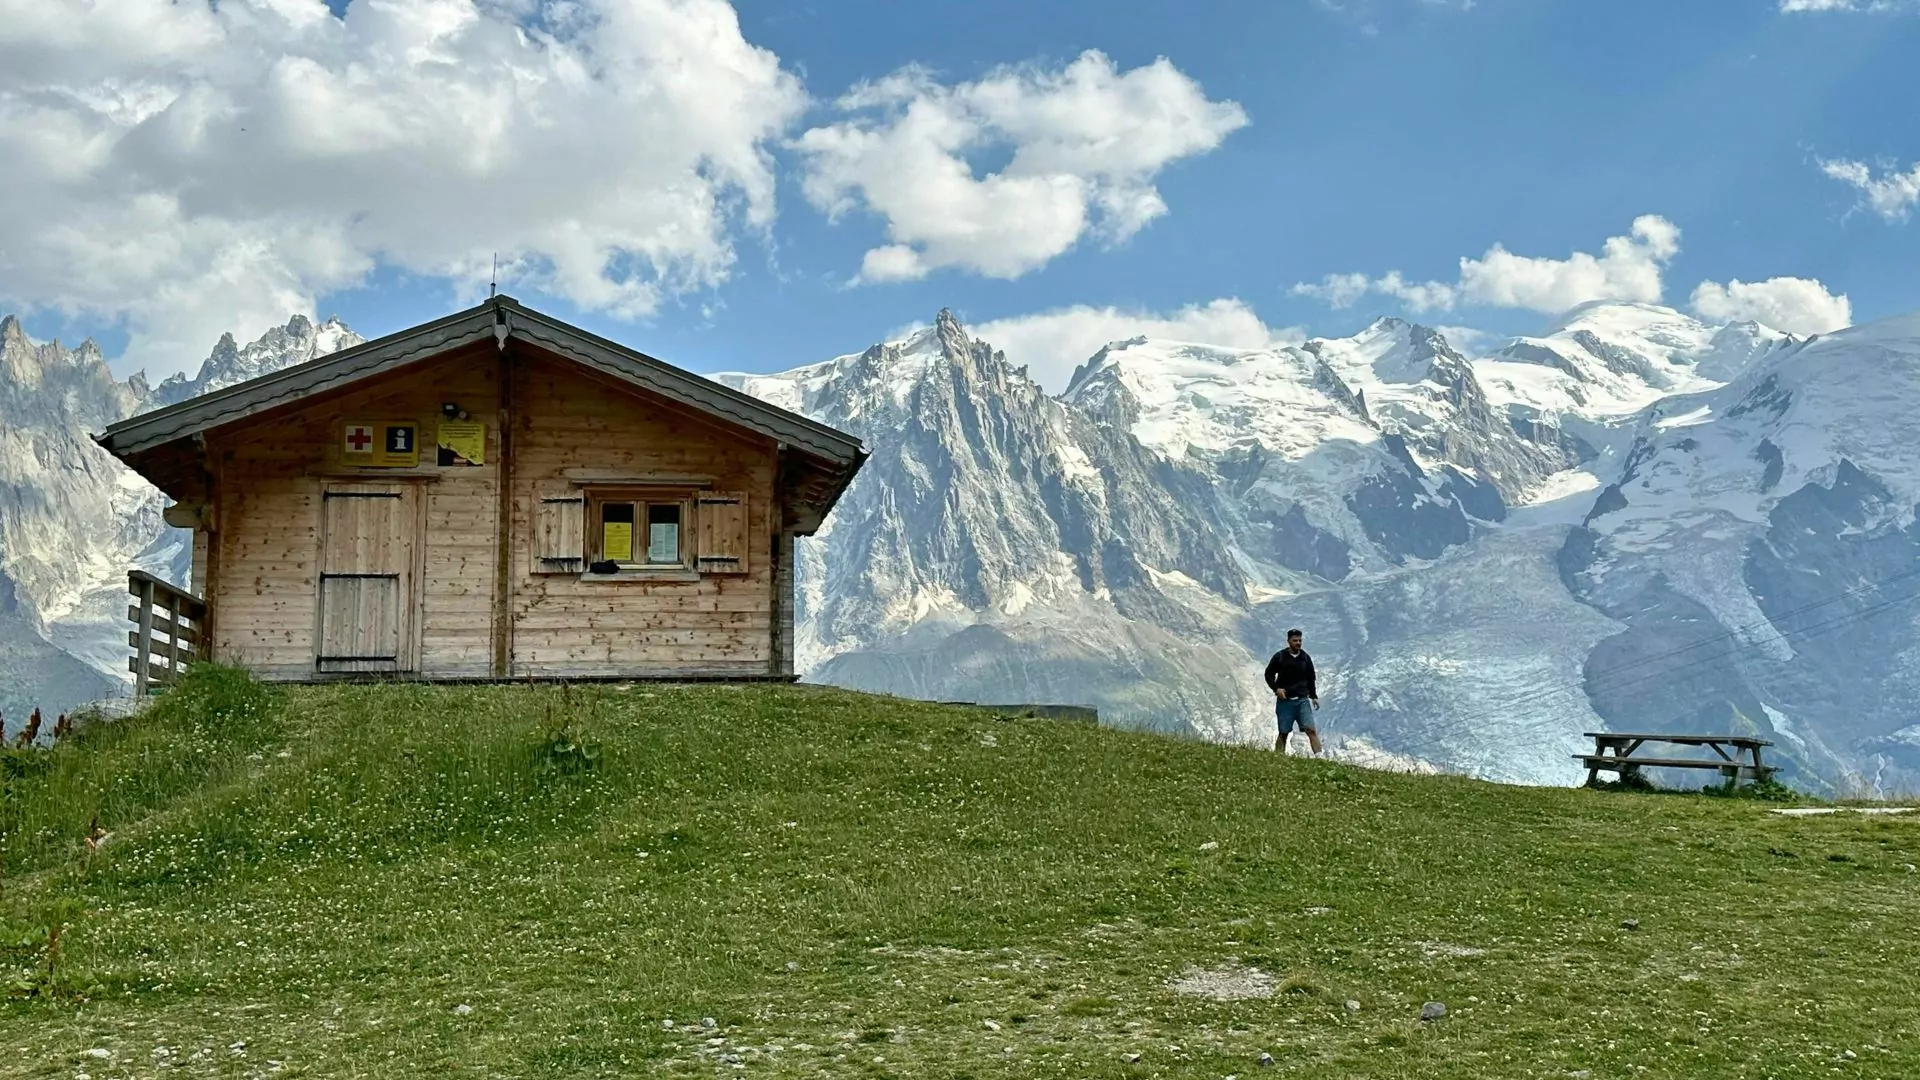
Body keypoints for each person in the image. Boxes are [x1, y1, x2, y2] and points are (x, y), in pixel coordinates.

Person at [1264, 628, 1321, 756]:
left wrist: (1313, 696)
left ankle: (1319, 757)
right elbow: (1268, 674)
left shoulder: (1305, 658)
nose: (1298, 643)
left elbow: (1311, 677)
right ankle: (1278, 757)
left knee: (1311, 730)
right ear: (1288, 641)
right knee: (1283, 732)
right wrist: (1276, 689)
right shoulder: (1280, 657)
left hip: (1302, 700)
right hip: (1285, 701)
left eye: (1300, 640)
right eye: (1295, 640)